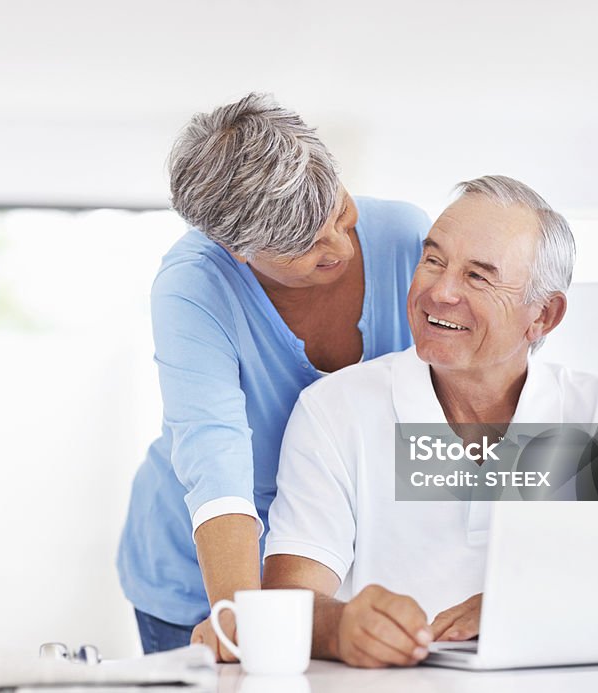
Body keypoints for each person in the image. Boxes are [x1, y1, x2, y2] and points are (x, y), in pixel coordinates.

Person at [262, 175, 598, 668]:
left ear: (543, 316)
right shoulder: (333, 411)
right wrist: (341, 628)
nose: (439, 291)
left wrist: (532, 604)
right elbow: (289, 602)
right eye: (433, 260)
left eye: (478, 276)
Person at [116, 93, 431, 659]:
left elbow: (452, 398)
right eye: (304, 245)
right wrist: (241, 617)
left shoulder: (407, 239)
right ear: (238, 250)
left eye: (339, 213)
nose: (338, 246)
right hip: (203, 574)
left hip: (326, 563)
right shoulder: (193, 286)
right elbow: (215, 456)